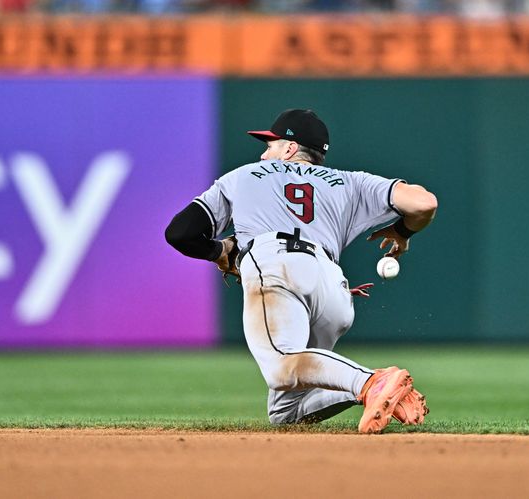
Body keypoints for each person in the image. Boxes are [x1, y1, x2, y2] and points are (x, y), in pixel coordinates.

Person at [165, 109, 436, 433]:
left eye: (271, 144)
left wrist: (219, 250)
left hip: (276, 265)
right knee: (286, 410)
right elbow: (424, 204)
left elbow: (180, 233)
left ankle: (372, 382)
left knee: (281, 367)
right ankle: (375, 389)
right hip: (332, 286)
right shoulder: (351, 181)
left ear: (290, 149)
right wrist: (403, 233)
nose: (264, 153)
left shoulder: (246, 175)